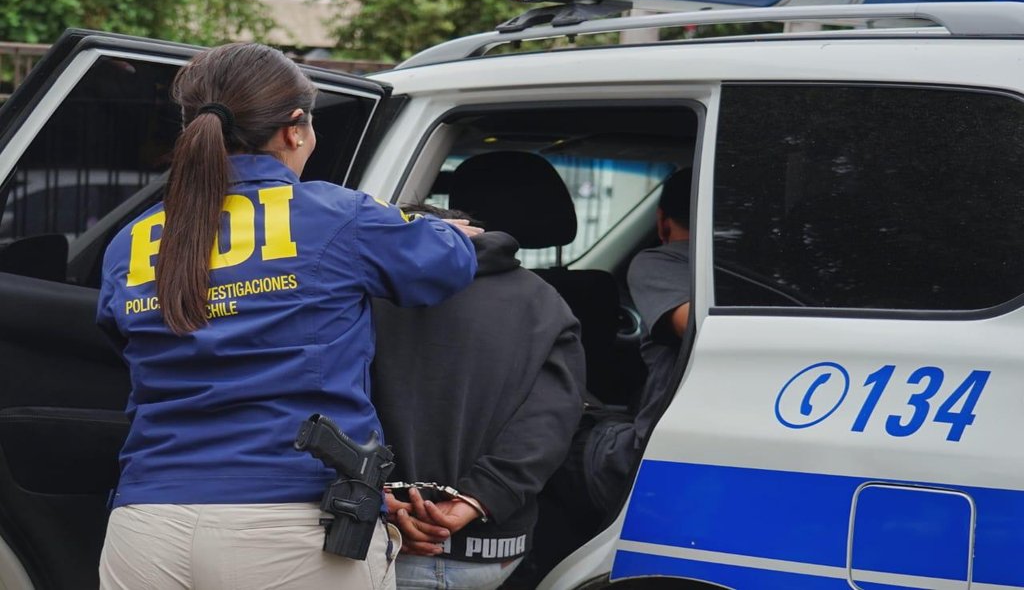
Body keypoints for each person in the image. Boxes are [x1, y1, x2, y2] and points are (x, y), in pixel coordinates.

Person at [94, 43, 480, 590]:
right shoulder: (337, 216)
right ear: (295, 129)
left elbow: (128, 346)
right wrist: (441, 228)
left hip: (147, 527)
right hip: (290, 527)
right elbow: (446, 264)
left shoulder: (132, 240)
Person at [370, 205, 586, 590]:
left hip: (379, 545)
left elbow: (319, 408)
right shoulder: (543, 301)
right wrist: (478, 498)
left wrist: (376, 504)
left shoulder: (358, 291)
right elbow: (548, 423)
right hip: (493, 552)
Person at [580, 167, 692, 517]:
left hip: (650, 457)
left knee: (555, 435)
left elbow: (695, 327)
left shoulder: (666, 263)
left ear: (662, 222)